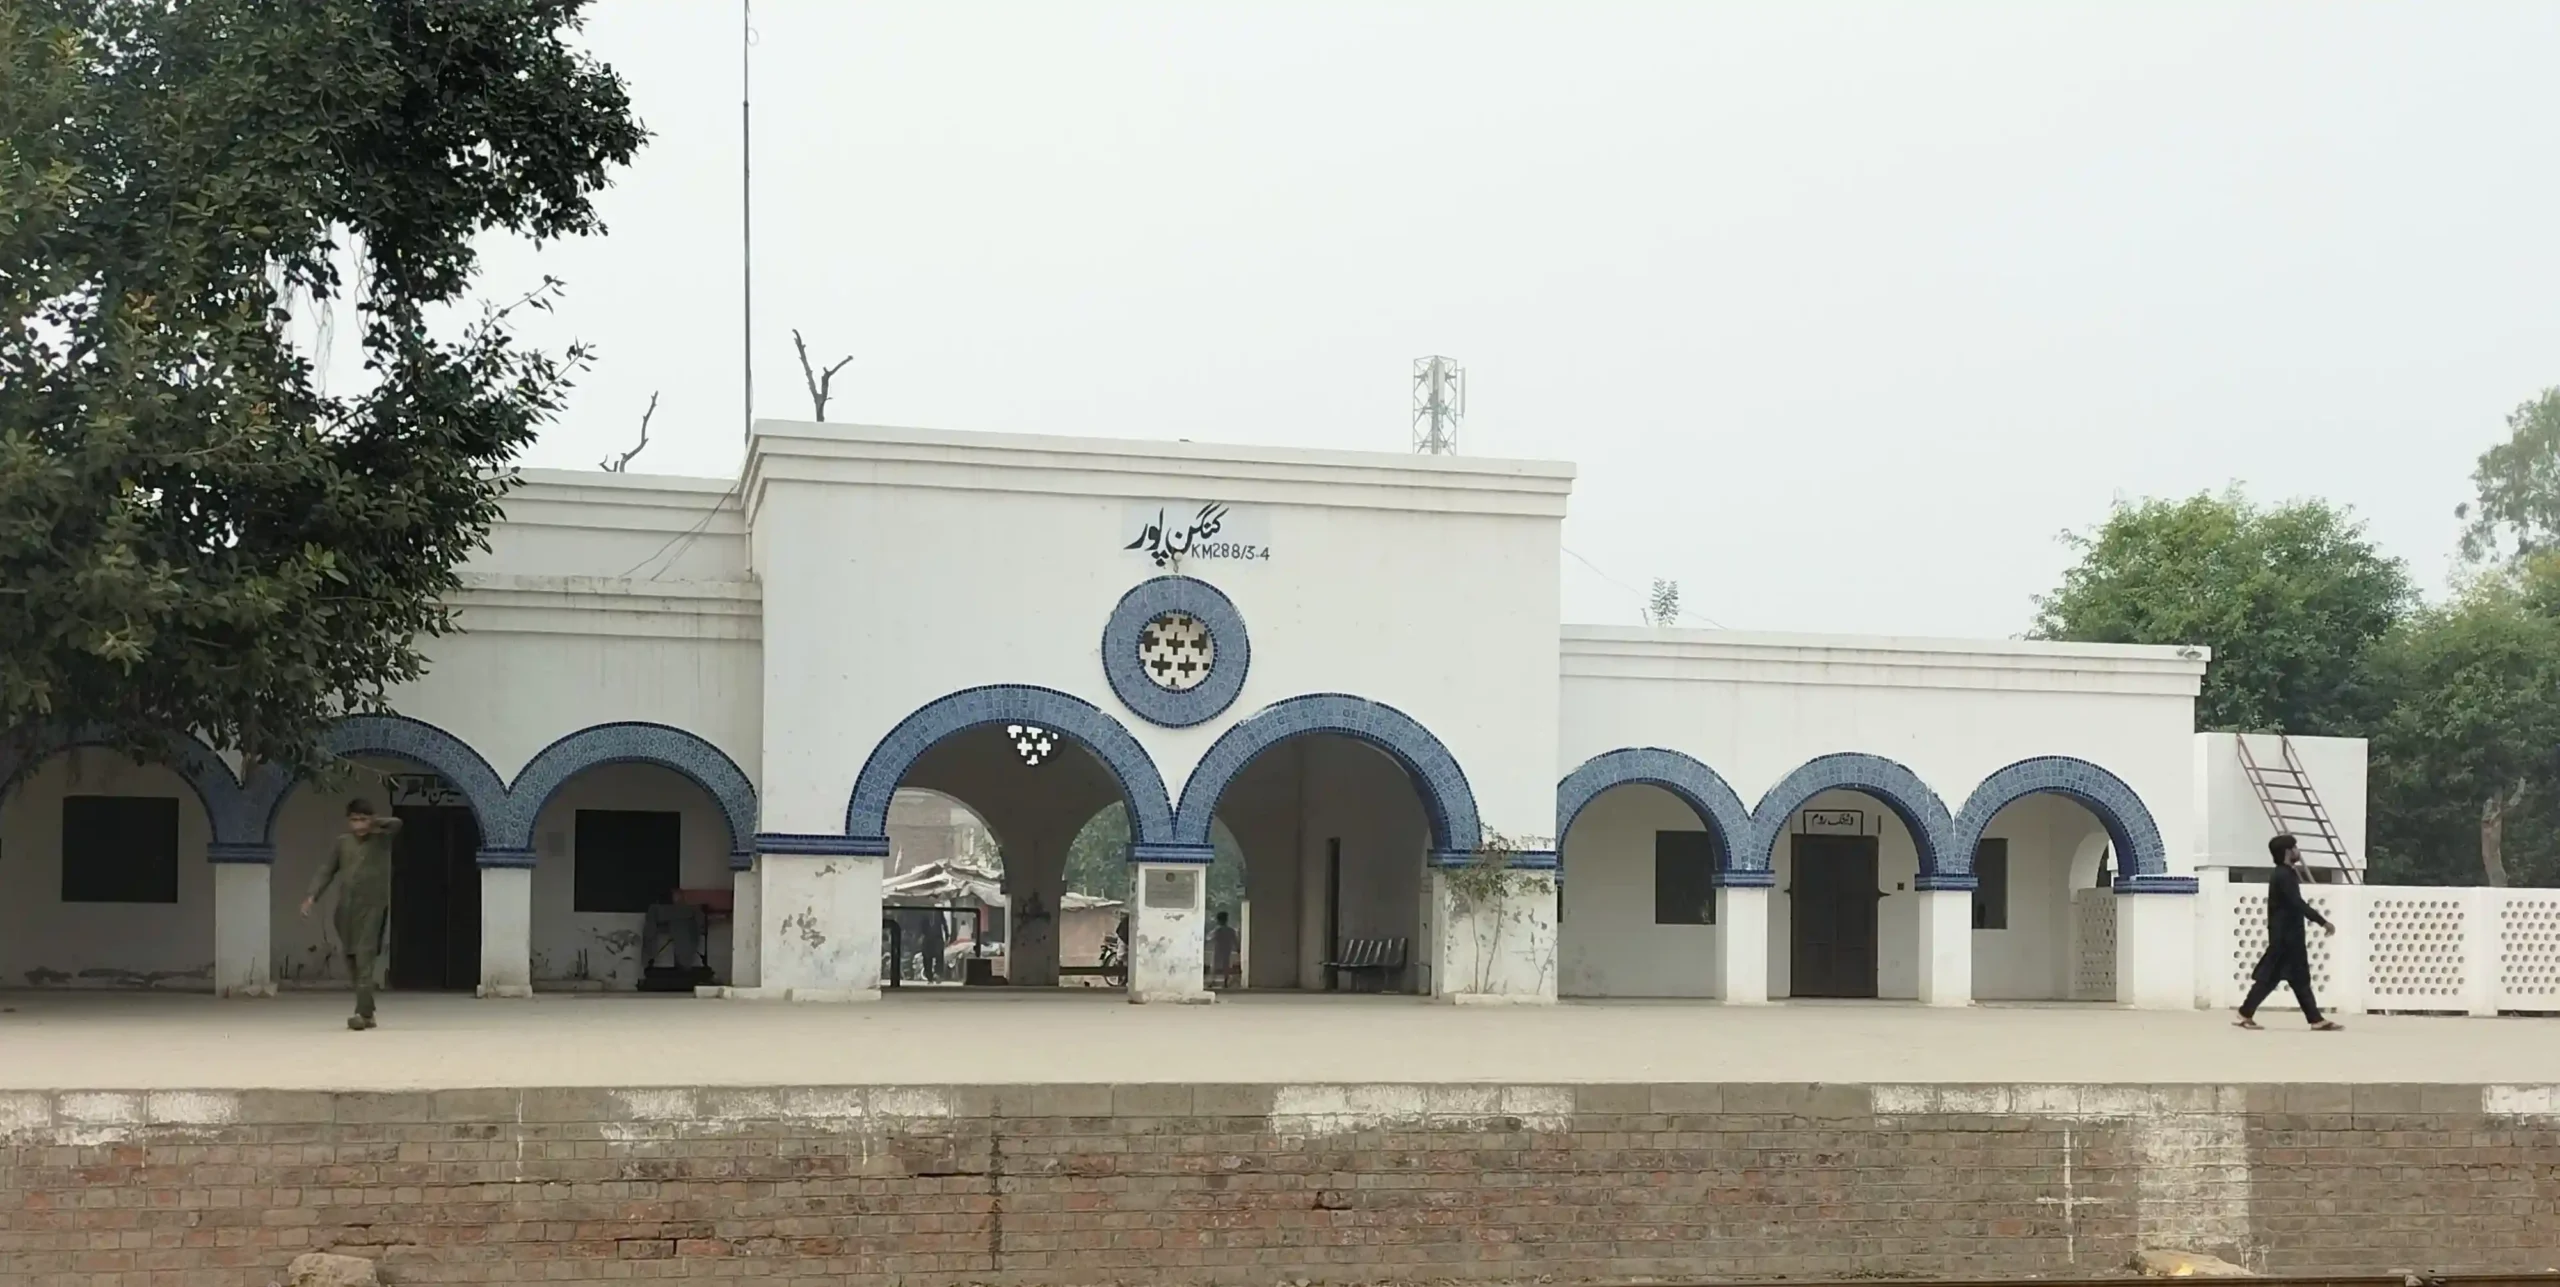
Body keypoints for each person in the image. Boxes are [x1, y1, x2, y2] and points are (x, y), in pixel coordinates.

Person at [300, 798, 403, 1031]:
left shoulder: (382, 839)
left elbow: (397, 823)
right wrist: (311, 896)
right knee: (352, 959)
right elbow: (326, 870)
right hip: (346, 909)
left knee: (365, 957)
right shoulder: (342, 843)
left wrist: (373, 822)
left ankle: (361, 1014)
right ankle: (368, 1011)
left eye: (362, 819)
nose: (358, 824)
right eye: (354, 819)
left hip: (372, 907)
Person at [2236, 833, 2343, 1031]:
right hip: (2285, 938)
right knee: (2272, 978)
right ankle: (2245, 1013)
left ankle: (2315, 1019)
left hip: (2287, 936)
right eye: (2294, 847)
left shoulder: (2284, 873)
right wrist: (2322, 921)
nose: (2297, 851)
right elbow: (2296, 902)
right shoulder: (2283, 875)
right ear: (2287, 851)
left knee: (2295, 979)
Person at [1206, 910, 1240, 989]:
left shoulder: (1217, 930)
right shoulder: (1231, 930)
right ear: (1226, 919)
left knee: (1214, 966)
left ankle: (1211, 982)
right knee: (1226, 966)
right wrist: (1238, 949)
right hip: (1227, 950)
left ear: (1218, 920)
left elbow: (1208, 938)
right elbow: (1235, 941)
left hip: (1218, 949)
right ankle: (1225, 983)